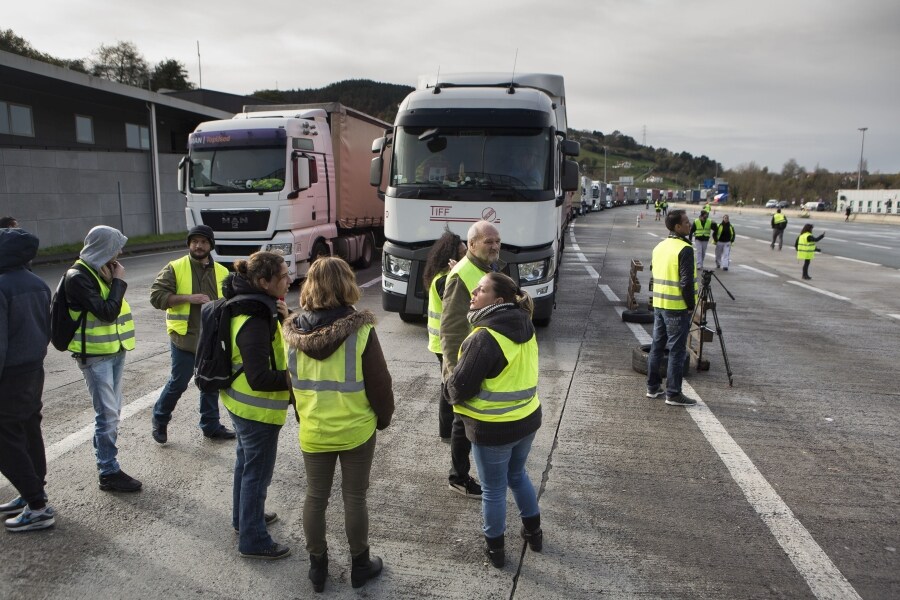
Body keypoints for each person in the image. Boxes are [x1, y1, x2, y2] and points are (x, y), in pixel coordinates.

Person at [283, 257, 394, 592]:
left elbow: (291, 384)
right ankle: (361, 565)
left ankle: (318, 568)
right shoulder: (360, 330)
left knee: (315, 497)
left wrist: (304, 416)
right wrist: (383, 418)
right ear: (346, 284)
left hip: (314, 429)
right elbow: (380, 384)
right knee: (354, 497)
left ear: (310, 286)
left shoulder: (290, 333)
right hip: (356, 430)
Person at [446, 271, 542, 569]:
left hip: (493, 429)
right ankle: (534, 533)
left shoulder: (484, 337)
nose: (473, 293)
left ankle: (495, 551)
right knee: (518, 475)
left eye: (482, 290)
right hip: (527, 419)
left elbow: (459, 388)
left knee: (494, 490)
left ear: (498, 300)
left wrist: (447, 385)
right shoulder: (524, 323)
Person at [221, 251, 292, 560]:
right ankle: (253, 539)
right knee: (257, 474)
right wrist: (295, 380)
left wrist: (285, 317)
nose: (290, 280)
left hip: (241, 404)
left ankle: (244, 518)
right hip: (256, 410)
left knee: (246, 464)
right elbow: (259, 376)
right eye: (284, 276)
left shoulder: (254, 304)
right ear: (263, 281)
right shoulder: (253, 318)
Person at [65, 226, 141, 492]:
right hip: (95, 357)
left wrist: (111, 281)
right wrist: (118, 282)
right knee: (107, 415)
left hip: (114, 350)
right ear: (103, 247)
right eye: (115, 246)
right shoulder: (78, 277)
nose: (119, 253)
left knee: (112, 412)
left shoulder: (102, 270)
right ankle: (108, 471)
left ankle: (105, 463)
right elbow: (108, 312)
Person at [149, 225, 235, 443]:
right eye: (194, 241)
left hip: (211, 339)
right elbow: (157, 297)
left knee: (211, 383)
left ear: (210, 245)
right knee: (178, 382)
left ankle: (211, 425)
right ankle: (160, 419)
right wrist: (189, 298)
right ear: (189, 244)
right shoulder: (175, 268)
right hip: (184, 337)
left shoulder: (224, 273)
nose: (198, 245)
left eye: (204, 242)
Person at [440, 220, 502, 499]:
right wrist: (455, 373)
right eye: (488, 241)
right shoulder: (462, 274)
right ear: (472, 244)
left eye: (497, 241)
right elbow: (451, 329)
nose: (495, 246)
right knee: (461, 422)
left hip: (481, 358)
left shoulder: (487, 269)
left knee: (470, 421)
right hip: (466, 362)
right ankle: (459, 477)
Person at [0, 228, 55, 532]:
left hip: (9, 375)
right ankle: (33, 492)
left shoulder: (2, 286)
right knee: (30, 428)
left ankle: (37, 505)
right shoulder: (37, 283)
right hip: (34, 370)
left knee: (5, 438)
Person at [647, 210, 697, 407]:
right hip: (676, 307)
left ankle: (652, 387)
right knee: (676, 351)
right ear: (677, 227)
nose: (689, 224)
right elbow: (685, 283)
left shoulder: (659, 246)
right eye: (686, 222)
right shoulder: (684, 249)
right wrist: (690, 306)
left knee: (657, 347)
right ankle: (673, 393)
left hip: (659, 304)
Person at [423, 230, 467, 441]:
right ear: (452, 257)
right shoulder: (445, 280)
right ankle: (447, 432)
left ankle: (446, 431)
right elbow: (457, 307)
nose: (466, 256)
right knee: (448, 386)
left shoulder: (442, 276)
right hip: (444, 343)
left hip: (441, 341)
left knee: (447, 384)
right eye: (463, 253)